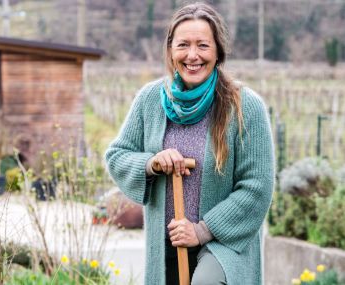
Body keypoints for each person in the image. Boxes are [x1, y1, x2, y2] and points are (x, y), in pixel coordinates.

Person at [105, 2, 274, 285]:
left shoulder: (245, 106)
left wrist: (202, 230)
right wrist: (151, 163)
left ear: (218, 51)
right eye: (183, 45)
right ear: (170, 50)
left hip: (224, 242)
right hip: (167, 243)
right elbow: (117, 156)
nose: (192, 55)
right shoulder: (151, 100)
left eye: (203, 46)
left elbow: (257, 187)